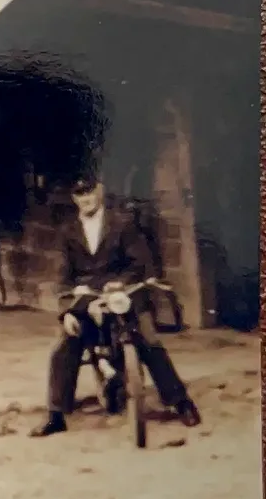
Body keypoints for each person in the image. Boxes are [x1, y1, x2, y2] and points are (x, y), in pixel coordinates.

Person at [30, 172, 201, 437]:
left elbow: (140, 263)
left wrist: (119, 283)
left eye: (89, 192)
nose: (85, 198)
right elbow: (63, 276)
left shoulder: (122, 223)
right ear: (74, 199)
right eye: (79, 194)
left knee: (149, 340)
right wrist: (67, 312)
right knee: (65, 346)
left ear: (100, 190)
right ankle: (55, 414)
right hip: (87, 298)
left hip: (125, 294)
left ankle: (181, 403)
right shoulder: (68, 231)